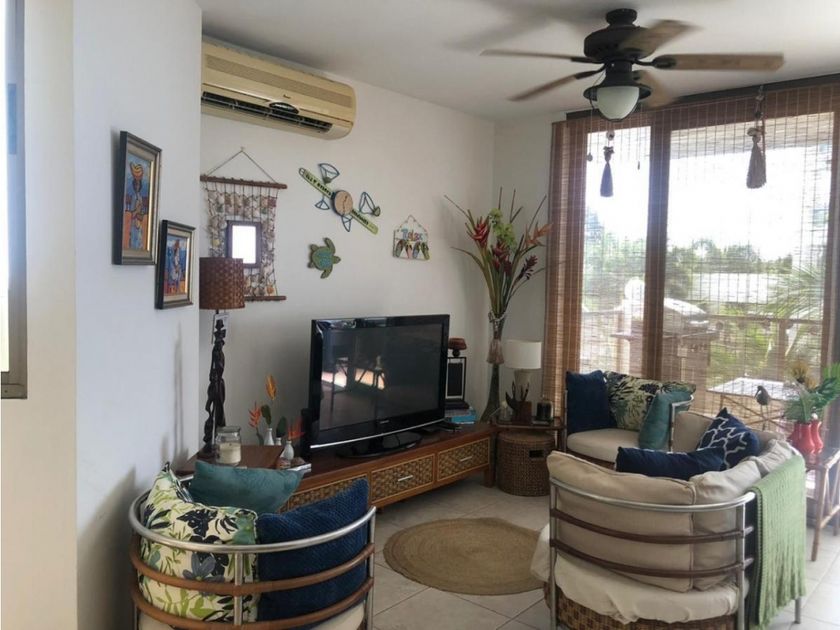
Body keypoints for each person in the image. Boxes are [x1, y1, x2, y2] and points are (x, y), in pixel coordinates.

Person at [126, 162, 146, 250]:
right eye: (136, 184)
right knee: (134, 239)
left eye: (138, 184)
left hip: (139, 222)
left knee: (139, 240)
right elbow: (132, 212)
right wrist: (136, 211)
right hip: (134, 223)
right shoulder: (134, 197)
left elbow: (142, 210)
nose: (137, 186)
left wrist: (140, 211)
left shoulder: (140, 197)